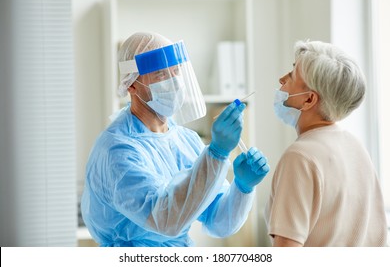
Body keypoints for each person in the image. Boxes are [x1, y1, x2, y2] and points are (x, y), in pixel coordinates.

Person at [81, 31, 270, 247]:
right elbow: (166, 219)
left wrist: (242, 187)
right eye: (161, 74)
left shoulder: (185, 140)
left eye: (176, 71)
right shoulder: (117, 150)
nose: (174, 82)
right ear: (131, 85)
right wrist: (216, 154)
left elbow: (218, 221)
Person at [264, 40, 388, 247]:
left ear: (309, 100)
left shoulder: (300, 157)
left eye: (292, 74)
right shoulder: (356, 148)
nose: (282, 79)